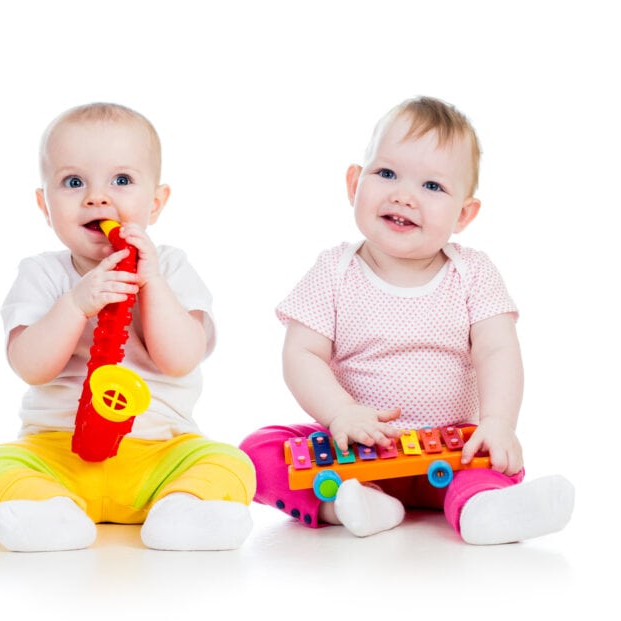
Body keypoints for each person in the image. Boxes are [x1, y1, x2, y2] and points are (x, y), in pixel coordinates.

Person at [240, 96, 574, 545]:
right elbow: (301, 353)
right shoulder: (333, 271)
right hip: (352, 451)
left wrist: (498, 422)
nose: (403, 195)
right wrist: (341, 413)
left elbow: (499, 350)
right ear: (354, 183)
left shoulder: (472, 273)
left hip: (451, 450)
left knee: (491, 461)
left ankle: (485, 510)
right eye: (386, 174)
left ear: (464, 215)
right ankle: (350, 504)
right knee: (258, 452)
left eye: (432, 186)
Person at [0, 103, 255, 552]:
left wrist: (151, 281)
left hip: (160, 453)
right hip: (58, 452)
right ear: (44, 204)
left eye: (121, 180)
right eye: (73, 182)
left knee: (230, 461)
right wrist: (76, 303)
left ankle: (181, 509)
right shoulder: (41, 273)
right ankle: (50, 513)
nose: (97, 198)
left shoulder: (172, 267)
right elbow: (30, 366)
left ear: (155, 203)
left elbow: (180, 358)